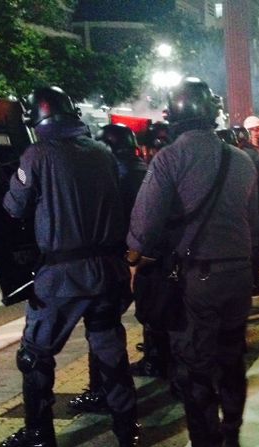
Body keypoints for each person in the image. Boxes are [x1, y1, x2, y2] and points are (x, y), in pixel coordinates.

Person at [127, 77, 259, 447]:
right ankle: (232, 432)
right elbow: (253, 223)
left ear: (175, 116)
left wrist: (133, 259)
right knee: (231, 354)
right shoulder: (242, 160)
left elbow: (144, 225)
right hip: (239, 274)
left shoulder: (169, 158)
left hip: (198, 276)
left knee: (195, 368)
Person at [0, 86, 140, 447]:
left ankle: (39, 436)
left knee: (34, 356)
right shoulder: (103, 152)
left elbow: (14, 207)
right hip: (108, 272)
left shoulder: (37, 155)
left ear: (38, 120)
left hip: (62, 276)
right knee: (110, 350)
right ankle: (127, 430)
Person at [69, 123, 152, 414]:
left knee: (101, 330)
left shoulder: (119, 174)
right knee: (110, 329)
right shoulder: (141, 169)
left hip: (121, 259)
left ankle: (104, 393)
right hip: (142, 257)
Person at [234, 124, 259, 294]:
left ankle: (251, 283)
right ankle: (254, 282)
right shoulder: (255, 154)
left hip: (250, 210)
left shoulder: (241, 157)